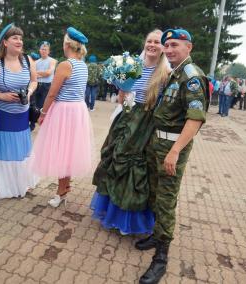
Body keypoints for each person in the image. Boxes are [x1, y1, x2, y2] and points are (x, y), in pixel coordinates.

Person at [135, 28, 208, 284]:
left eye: (175, 44)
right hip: (158, 144)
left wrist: (175, 151)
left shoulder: (192, 77)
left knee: (166, 200)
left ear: (189, 47)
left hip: (172, 149)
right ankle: (156, 235)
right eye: (167, 45)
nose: (169, 49)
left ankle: (161, 258)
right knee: (155, 193)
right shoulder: (174, 74)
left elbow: (195, 118)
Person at [91, 29, 169, 235]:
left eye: (157, 42)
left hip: (146, 124)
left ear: (163, 48)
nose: (152, 45)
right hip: (127, 117)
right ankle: (113, 213)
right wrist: (122, 87)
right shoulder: (132, 66)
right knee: (115, 159)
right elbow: (122, 99)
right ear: (145, 44)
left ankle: (131, 220)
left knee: (136, 167)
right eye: (149, 41)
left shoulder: (165, 74)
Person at [30, 27, 92, 207]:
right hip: (78, 110)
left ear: (67, 44)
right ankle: (63, 189)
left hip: (64, 111)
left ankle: (61, 192)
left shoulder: (66, 65)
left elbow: (52, 93)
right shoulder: (83, 64)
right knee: (69, 152)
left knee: (62, 151)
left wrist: (43, 113)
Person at [0, 24, 38, 198]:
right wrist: (2, 96)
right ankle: (6, 186)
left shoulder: (27, 60)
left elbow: (34, 81)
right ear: (5, 42)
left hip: (22, 115)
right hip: (2, 115)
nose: (19, 41)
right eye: (15, 38)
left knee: (21, 149)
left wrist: (29, 92)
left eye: (20, 38)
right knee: (5, 149)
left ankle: (22, 183)